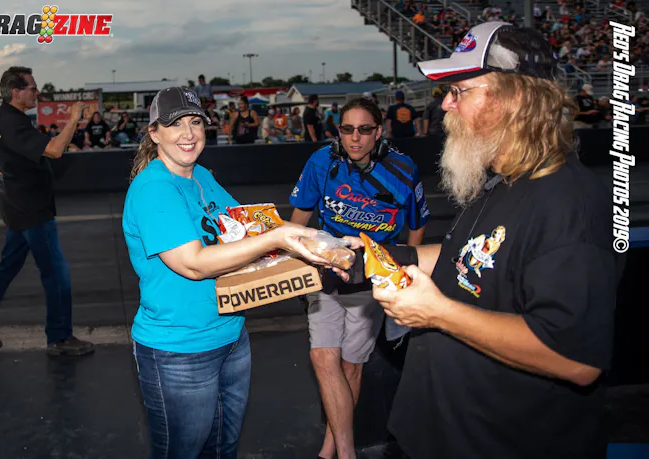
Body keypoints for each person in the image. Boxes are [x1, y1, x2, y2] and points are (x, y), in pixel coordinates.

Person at [339, 22, 619, 459]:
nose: (445, 104)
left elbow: (576, 359)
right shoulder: (502, 179)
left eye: (460, 91)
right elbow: (471, 258)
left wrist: (438, 313)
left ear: (516, 98)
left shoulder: (568, 204)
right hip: (439, 434)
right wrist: (383, 255)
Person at [122, 87, 328, 458]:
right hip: (179, 350)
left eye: (195, 122)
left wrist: (319, 243)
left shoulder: (201, 175)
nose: (188, 133)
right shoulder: (154, 189)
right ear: (154, 133)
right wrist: (277, 239)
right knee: (182, 452)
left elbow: (248, 227)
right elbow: (193, 263)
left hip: (230, 336)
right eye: (175, 124)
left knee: (222, 447)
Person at [289, 97, 430, 459]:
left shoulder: (403, 169)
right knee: (323, 358)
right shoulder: (321, 161)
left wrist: (403, 276)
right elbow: (299, 219)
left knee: (352, 366)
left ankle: (329, 449)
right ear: (338, 131)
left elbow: (417, 227)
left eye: (364, 129)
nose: (355, 138)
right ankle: (346, 453)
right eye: (347, 129)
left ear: (378, 131)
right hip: (326, 273)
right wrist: (294, 264)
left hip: (371, 280)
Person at [0, 66, 94, 355]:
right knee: (56, 274)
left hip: (17, 209)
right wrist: (73, 118)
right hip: (31, 212)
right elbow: (55, 150)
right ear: (16, 92)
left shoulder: (6, 118)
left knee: (5, 269)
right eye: (32, 88)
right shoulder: (12, 122)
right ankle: (59, 337)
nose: (37, 92)